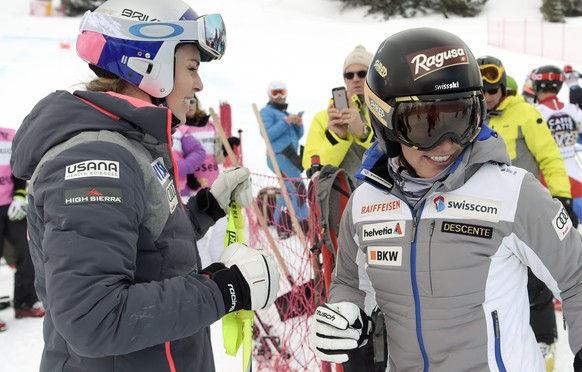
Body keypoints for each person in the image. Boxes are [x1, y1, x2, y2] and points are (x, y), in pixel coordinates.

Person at [9, 1, 279, 371]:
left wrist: (208, 206)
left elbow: (146, 242)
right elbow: (95, 318)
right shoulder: (97, 160)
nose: (198, 84)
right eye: (191, 68)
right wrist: (225, 290)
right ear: (147, 64)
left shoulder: (130, 144)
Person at [309, 27, 582, 372]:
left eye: (461, 119)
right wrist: (348, 313)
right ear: (386, 124)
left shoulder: (512, 194)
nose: (447, 144)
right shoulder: (364, 205)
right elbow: (351, 283)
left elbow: (576, 276)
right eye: (424, 124)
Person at [478, 55, 575, 371]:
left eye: (492, 90)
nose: (487, 98)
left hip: (526, 210)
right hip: (488, 214)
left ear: (502, 87)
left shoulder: (525, 113)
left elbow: (549, 156)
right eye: (482, 92)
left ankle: (545, 338)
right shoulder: (473, 117)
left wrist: (562, 197)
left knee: (537, 279)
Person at [302, 45, 375, 182]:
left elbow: (395, 159)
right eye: (349, 75)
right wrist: (336, 137)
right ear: (345, 80)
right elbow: (312, 168)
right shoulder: (323, 118)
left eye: (362, 73)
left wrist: (364, 132)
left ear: (372, 75)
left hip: (381, 200)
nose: (355, 79)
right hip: (339, 198)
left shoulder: (383, 111)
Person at [183, 94, 240, 266]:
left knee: (220, 228)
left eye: (192, 101)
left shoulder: (210, 125)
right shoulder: (180, 127)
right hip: (191, 189)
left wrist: (228, 142)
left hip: (215, 184)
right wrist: (189, 178)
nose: (189, 105)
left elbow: (218, 149)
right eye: (184, 101)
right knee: (198, 232)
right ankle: (207, 268)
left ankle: (220, 263)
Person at [0, 127, 45, 332]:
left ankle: (25, 303)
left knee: (28, 252)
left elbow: (18, 167)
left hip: (11, 207)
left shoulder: (10, 135)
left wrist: (19, 194)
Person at [532, 65, 582, 222]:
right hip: (576, 176)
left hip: (548, 179)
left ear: (537, 85)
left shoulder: (534, 111)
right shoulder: (573, 110)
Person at [259, 80, 308, 239]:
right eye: (275, 93)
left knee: (289, 189)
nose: (279, 96)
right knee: (298, 187)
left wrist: (298, 124)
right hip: (278, 156)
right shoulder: (267, 112)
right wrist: (286, 122)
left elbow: (298, 136)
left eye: (282, 92)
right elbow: (267, 134)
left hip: (290, 156)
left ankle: (283, 225)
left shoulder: (286, 114)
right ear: (269, 95)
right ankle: (303, 224)